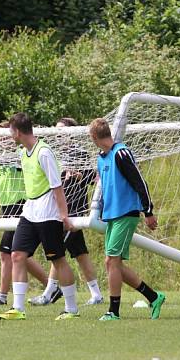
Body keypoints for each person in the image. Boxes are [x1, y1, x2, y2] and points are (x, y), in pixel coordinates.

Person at [0, 112, 79, 321]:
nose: (10, 135)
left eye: (11, 131)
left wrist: (63, 216)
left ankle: (71, 309)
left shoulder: (44, 152)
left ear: (18, 132)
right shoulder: (23, 152)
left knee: (58, 260)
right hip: (30, 211)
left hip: (48, 214)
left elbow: (57, 187)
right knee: (17, 255)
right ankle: (18, 308)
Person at [88, 118, 166, 321]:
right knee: (113, 263)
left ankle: (113, 311)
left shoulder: (121, 153)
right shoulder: (101, 157)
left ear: (95, 137)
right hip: (112, 215)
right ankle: (154, 297)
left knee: (111, 261)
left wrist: (148, 211)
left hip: (126, 214)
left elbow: (140, 181)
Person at [29, 117, 104, 306]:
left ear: (71, 133)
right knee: (79, 253)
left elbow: (91, 177)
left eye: (61, 131)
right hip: (60, 209)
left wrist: (78, 174)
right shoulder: (53, 153)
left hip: (75, 209)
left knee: (58, 251)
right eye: (56, 131)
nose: (58, 135)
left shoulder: (79, 152)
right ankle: (96, 293)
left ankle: (50, 293)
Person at [0, 121, 51, 306]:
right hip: (7, 206)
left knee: (5, 252)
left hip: (20, 204)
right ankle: (50, 285)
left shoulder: (19, 155)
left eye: (4, 136)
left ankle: (2, 297)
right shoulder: (0, 155)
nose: (1, 140)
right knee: (21, 254)